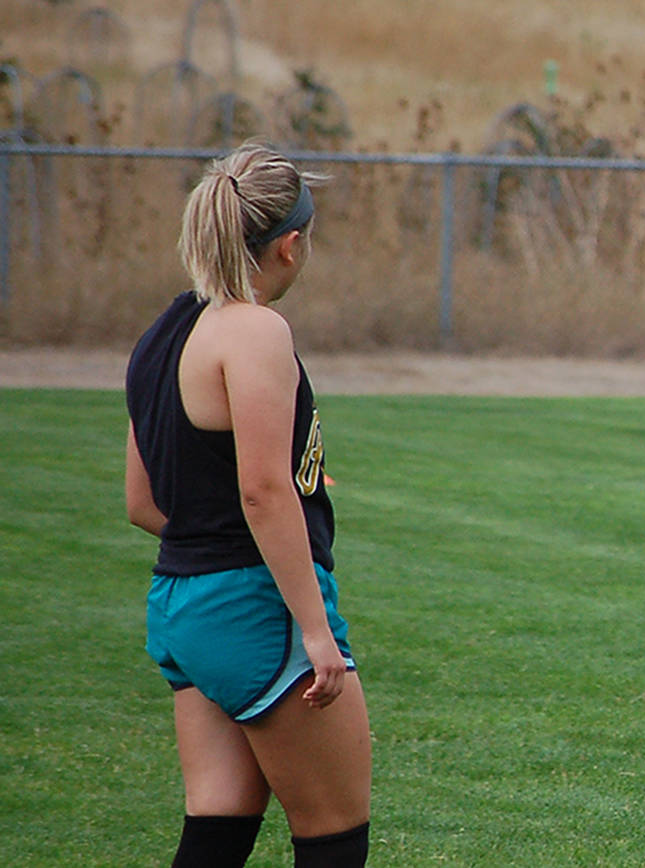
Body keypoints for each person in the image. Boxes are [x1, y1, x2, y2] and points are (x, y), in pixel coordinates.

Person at [125, 141, 371, 868]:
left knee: (219, 828)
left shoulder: (164, 333)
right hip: (252, 608)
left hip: (181, 607)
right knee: (334, 833)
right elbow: (262, 494)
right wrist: (315, 632)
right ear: (290, 245)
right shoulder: (256, 329)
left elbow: (144, 501)